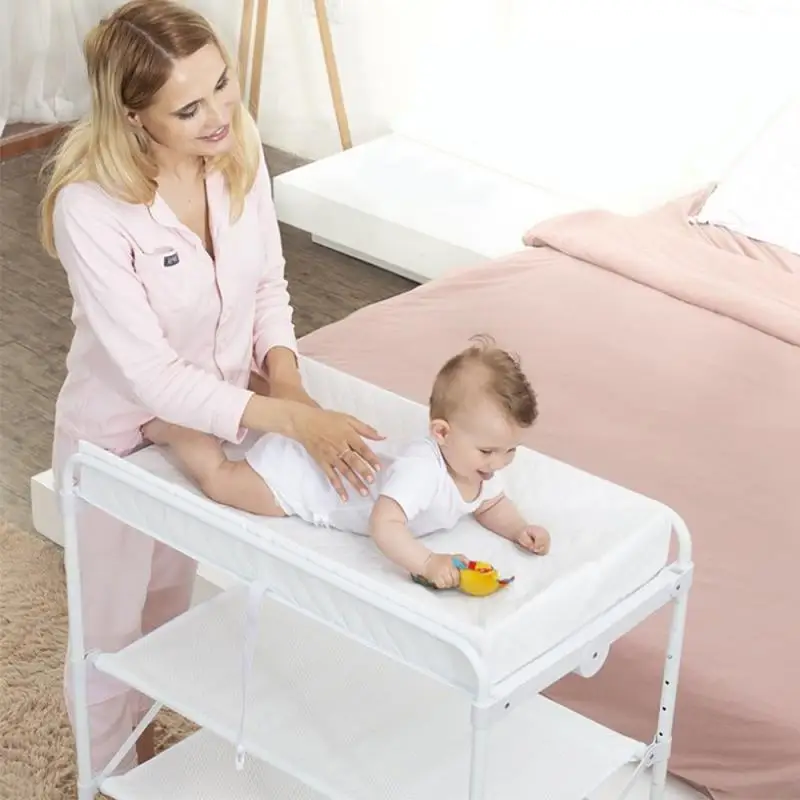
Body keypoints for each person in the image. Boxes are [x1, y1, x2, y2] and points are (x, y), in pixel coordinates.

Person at [39, 0, 384, 776]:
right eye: (188, 109)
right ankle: (107, 778)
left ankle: (148, 759)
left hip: (206, 426)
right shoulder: (91, 209)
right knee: (108, 634)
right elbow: (152, 376)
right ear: (134, 117)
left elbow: (267, 285)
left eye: (222, 85)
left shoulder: (236, 152)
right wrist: (290, 423)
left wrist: (289, 382)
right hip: (118, 445)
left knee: (169, 613)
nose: (220, 115)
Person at [144, 339, 552, 589]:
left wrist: (519, 529)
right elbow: (384, 524)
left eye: (510, 451)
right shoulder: (423, 471)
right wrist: (426, 562)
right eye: (488, 451)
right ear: (441, 433)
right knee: (222, 481)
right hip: (301, 482)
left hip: (322, 460)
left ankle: (243, 388)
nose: (499, 463)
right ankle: (177, 429)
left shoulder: (479, 471)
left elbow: (491, 504)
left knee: (230, 474)